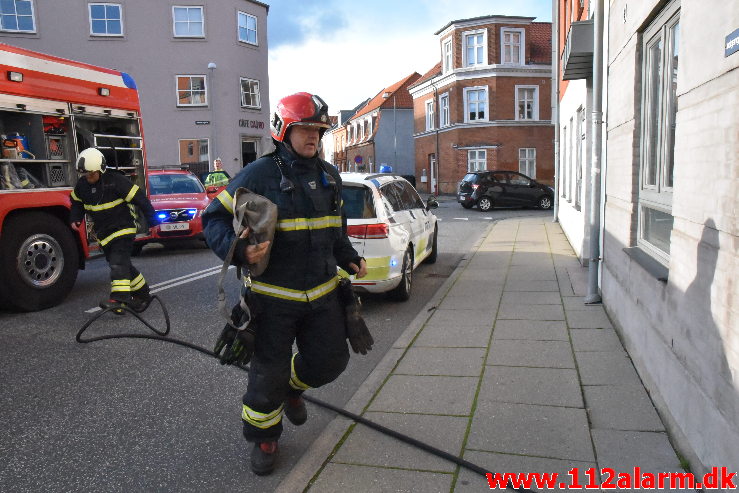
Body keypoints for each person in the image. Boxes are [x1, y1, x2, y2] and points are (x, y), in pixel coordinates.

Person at [202, 92, 369, 475]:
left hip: (324, 296)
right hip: (272, 300)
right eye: (306, 129)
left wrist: (349, 257)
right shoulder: (259, 174)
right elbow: (212, 218)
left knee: (331, 361)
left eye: (319, 130)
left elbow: (334, 230)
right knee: (266, 376)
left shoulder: (329, 176)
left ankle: (294, 389)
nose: (314, 137)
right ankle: (264, 437)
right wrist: (238, 251)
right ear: (284, 130)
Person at [70, 147, 157, 312]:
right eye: (86, 174)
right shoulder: (82, 186)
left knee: (118, 263)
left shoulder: (116, 181)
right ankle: (143, 293)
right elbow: (77, 203)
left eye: (92, 174)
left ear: (101, 169)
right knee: (122, 264)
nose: (89, 178)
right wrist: (75, 217)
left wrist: (152, 219)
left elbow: (140, 198)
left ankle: (120, 300)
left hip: (123, 229)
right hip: (105, 234)